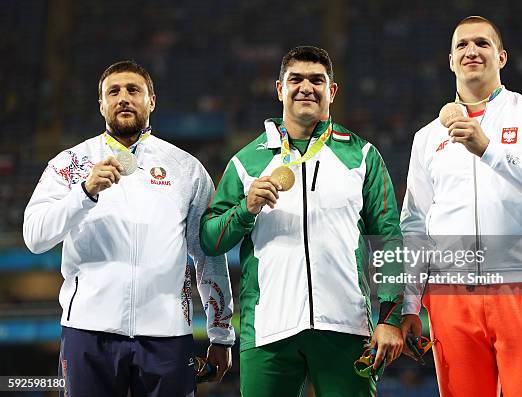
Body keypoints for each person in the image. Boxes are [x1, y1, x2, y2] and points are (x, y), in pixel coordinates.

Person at [200, 46, 404, 396]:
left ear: (332, 91)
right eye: (295, 79)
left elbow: (388, 240)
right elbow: (209, 239)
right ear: (280, 88)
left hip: (347, 327)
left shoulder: (363, 156)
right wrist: (245, 209)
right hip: (267, 331)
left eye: (317, 80)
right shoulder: (245, 162)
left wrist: (390, 318)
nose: (306, 87)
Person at [23, 60, 235, 397]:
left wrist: (221, 332)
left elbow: (208, 255)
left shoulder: (187, 170)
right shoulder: (70, 164)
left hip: (167, 334)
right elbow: (34, 237)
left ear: (151, 101)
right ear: (101, 104)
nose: (124, 97)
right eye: (114, 91)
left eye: (133, 90)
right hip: (87, 332)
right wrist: (83, 193)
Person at [400, 16, 522, 397]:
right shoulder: (427, 137)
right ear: (450, 60)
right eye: (462, 45)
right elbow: (414, 225)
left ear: (501, 56)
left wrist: (489, 150)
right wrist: (410, 303)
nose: (471, 51)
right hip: (450, 296)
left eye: (482, 43)